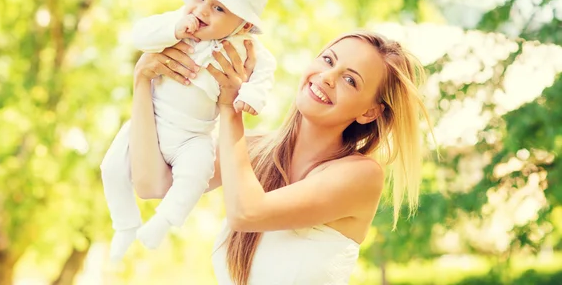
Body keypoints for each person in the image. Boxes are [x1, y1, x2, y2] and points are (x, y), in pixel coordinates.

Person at [130, 29, 431, 284]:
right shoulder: (251, 152)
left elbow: (247, 213)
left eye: (350, 80)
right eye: (328, 60)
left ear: (369, 112)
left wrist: (230, 107)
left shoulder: (361, 175)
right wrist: (143, 82)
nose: (327, 77)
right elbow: (151, 184)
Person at [100, 0, 276, 263]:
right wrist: (173, 30)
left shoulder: (248, 50)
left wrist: (252, 96)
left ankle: (164, 221)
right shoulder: (178, 23)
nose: (202, 11)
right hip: (151, 119)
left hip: (193, 134)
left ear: (244, 23)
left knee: (195, 174)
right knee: (111, 168)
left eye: (219, 8)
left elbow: (264, 76)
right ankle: (125, 224)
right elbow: (140, 34)